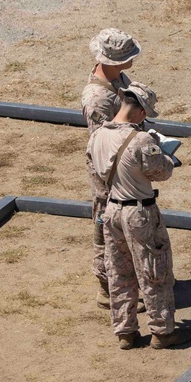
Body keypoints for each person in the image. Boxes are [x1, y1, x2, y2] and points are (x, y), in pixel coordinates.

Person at [87, 83, 191, 349]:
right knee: (154, 272)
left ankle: (125, 332)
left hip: (111, 210)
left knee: (119, 272)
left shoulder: (97, 135)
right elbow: (162, 172)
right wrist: (162, 151)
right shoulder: (141, 140)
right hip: (140, 212)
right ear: (141, 112)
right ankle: (162, 331)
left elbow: (96, 170)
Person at [81, 28, 141, 309]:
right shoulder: (96, 98)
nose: (132, 61)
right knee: (107, 231)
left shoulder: (117, 78)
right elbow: (101, 144)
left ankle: (130, 281)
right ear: (112, 61)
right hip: (110, 175)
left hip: (125, 165)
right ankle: (108, 289)